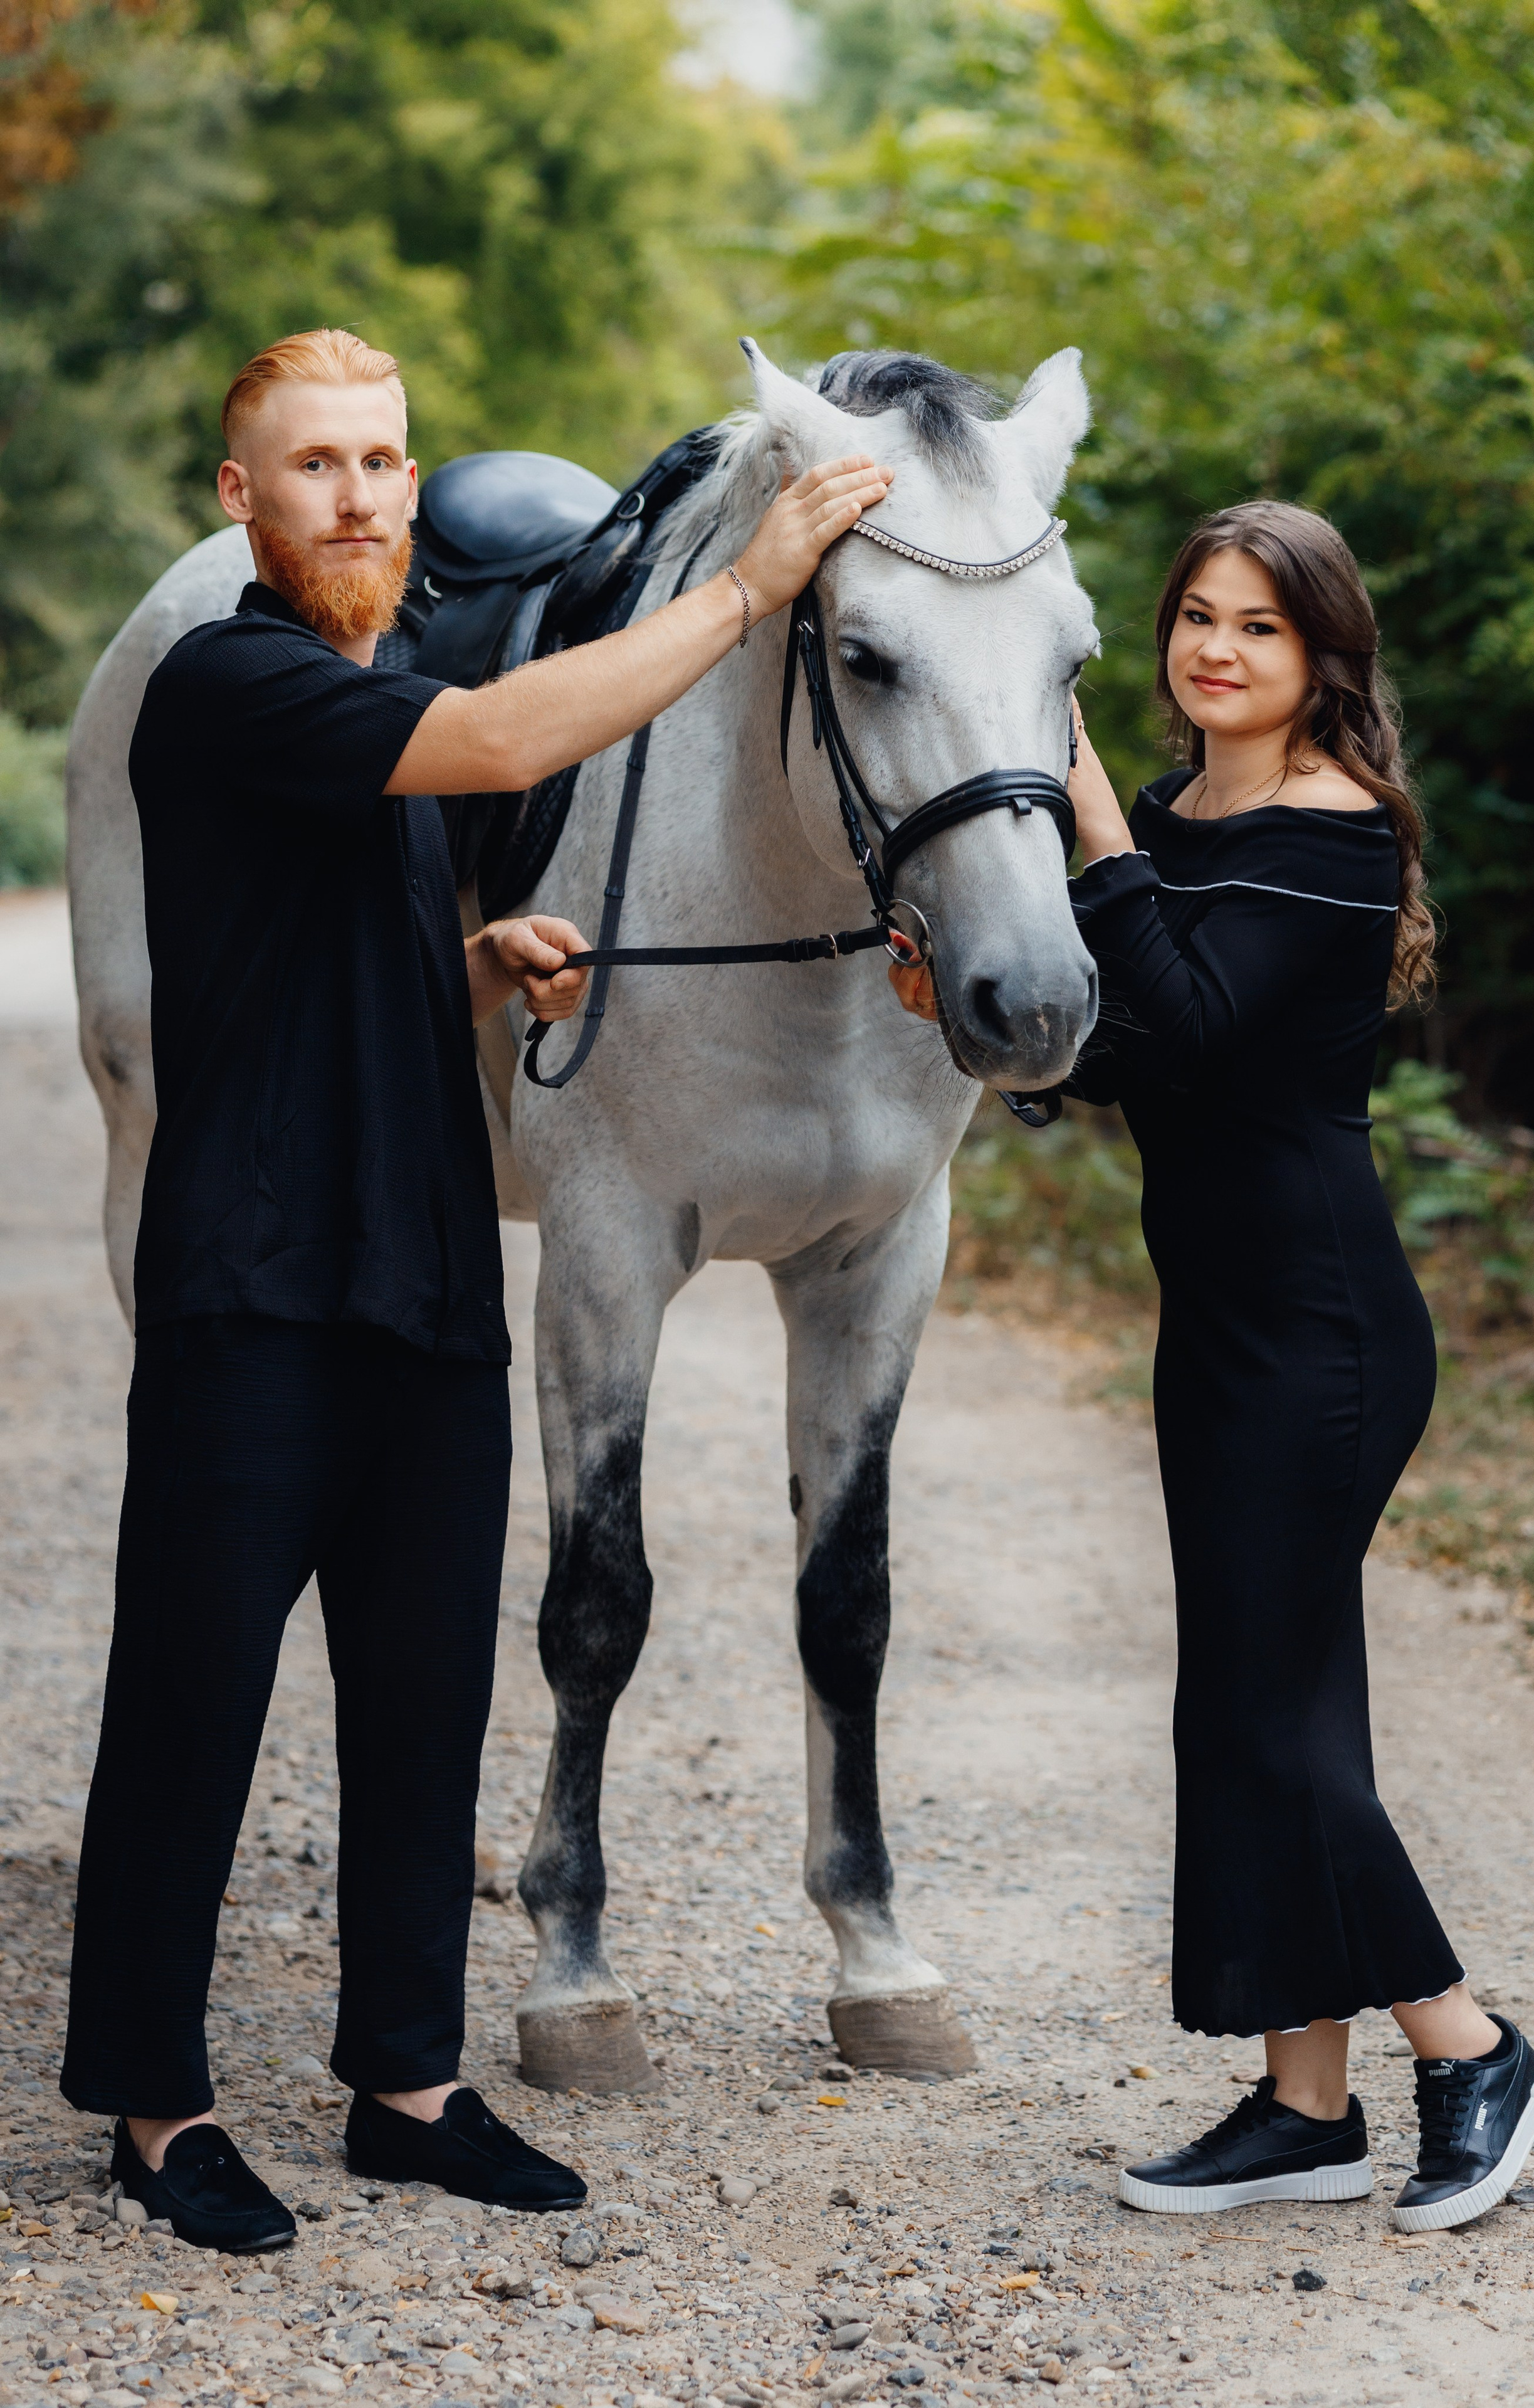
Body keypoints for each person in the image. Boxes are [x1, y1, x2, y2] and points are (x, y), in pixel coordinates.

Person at [60, 326, 894, 2254]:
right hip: (251, 1287)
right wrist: (756, 585)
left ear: (413, 488)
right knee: (194, 1702)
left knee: (429, 1702)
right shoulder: (230, 681)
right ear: (239, 495)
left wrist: (479, 964)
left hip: (424, 1276)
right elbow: (520, 742)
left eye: (382, 461)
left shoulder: (389, 698)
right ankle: (160, 2111)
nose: (358, 494)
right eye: (316, 464)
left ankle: (407, 2090)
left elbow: (342, 963)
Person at [890, 500, 1534, 2232]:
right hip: (1224, 1322)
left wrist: (1093, 812)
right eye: (1195, 615)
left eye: (1257, 627)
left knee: (1278, 1726)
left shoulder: (1334, 833)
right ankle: (1304, 2104)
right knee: (1253, 1709)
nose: (1214, 650)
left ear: (1320, 657)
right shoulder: (1192, 816)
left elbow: (1184, 1015)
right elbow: (1133, 1060)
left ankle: (1472, 2046)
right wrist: (979, 1018)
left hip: (1325, 1334)